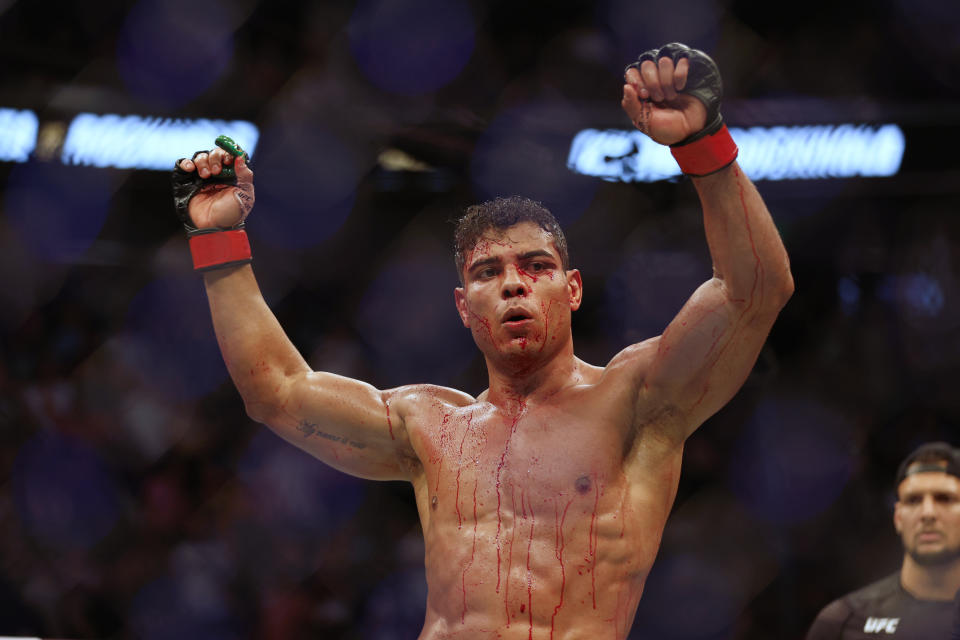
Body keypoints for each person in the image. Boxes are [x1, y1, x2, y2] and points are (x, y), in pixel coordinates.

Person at [171, 43, 793, 639]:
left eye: (537, 267)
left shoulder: (637, 396)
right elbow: (277, 391)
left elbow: (753, 292)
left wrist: (703, 143)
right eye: (488, 274)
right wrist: (219, 244)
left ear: (573, 289)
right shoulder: (429, 425)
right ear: (464, 308)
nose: (514, 286)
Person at [806, 442, 960, 639]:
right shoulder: (842, 621)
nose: (927, 513)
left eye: (944, 498)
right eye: (913, 500)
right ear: (898, 518)